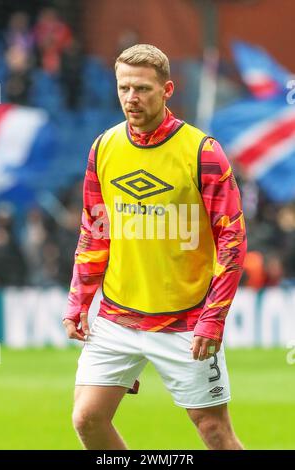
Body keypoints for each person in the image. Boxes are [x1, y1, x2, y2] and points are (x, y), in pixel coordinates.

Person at [63, 44, 247, 450]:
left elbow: (231, 242)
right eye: (124, 88)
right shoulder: (104, 148)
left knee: (215, 431)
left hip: (186, 320)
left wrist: (213, 319)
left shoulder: (204, 153)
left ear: (167, 90)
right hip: (117, 316)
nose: (132, 98)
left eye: (143, 88)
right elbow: (95, 232)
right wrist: (79, 301)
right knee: (87, 418)